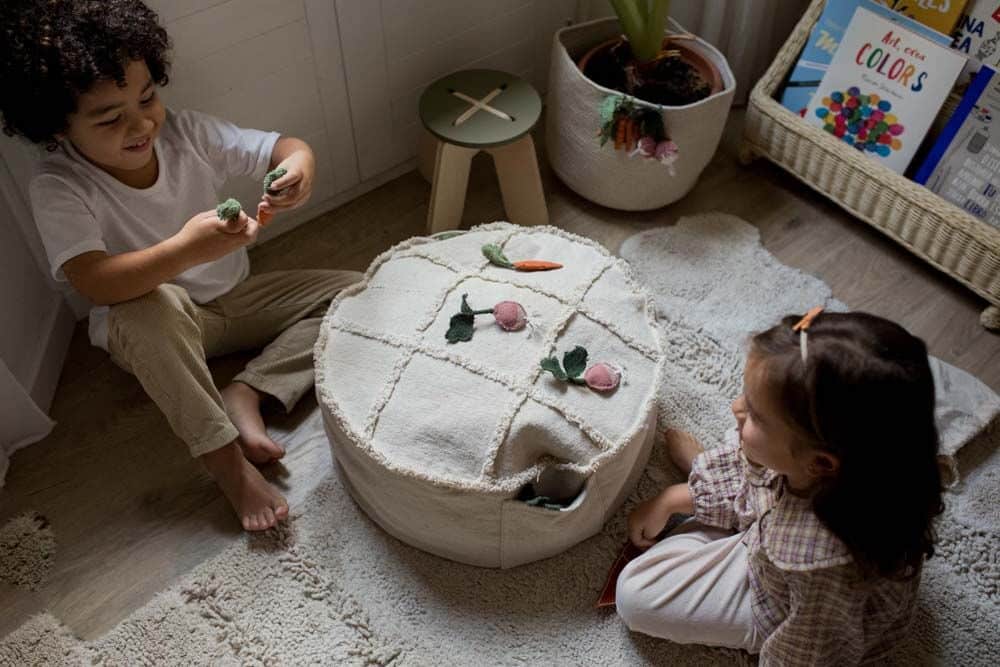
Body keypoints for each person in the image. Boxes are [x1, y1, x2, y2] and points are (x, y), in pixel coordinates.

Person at [0, 0, 362, 531]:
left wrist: (296, 171)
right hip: (162, 326)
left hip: (234, 298)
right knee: (147, 307)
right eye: (109, 118)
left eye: (147, 98)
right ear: (58, 128)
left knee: (357, 291)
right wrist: (187, 250)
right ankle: (225, 463)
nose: (141, 123)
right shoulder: (59, 186)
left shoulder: (186, 134)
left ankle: (249, 391)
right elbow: (94, 282)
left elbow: (285, 146)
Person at [616, 308, 944, 665]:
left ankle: (723, 497)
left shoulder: (823, 568)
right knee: (751, 444)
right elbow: (760, 471)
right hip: (778, 520)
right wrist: (676, 497)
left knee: (635, 595)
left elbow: (807, 652)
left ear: (820, 463)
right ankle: (715, 481)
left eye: (754, 412)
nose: (734, 406)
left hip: (784, 596)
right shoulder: (830, 461)